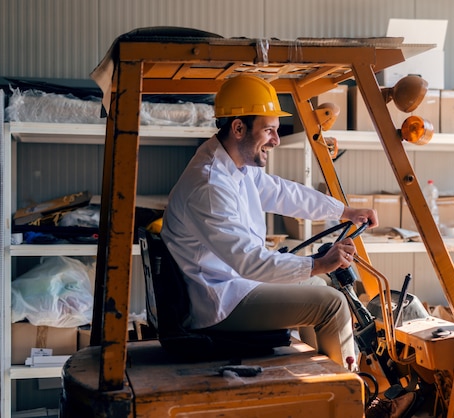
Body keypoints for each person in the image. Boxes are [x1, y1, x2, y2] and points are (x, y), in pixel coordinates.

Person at [161, 74, 378, 368]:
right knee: (332, 304)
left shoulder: (234, 165)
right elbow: (250, 263)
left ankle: (317, 380)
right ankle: (346, 397)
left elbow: (282, 193)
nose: (275, 140)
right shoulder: (210, 185)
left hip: (233, 285)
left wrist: (344, 212)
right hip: (221, 301)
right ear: (238, 128)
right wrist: (317, 263)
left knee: (321, 284)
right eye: (269, 130)